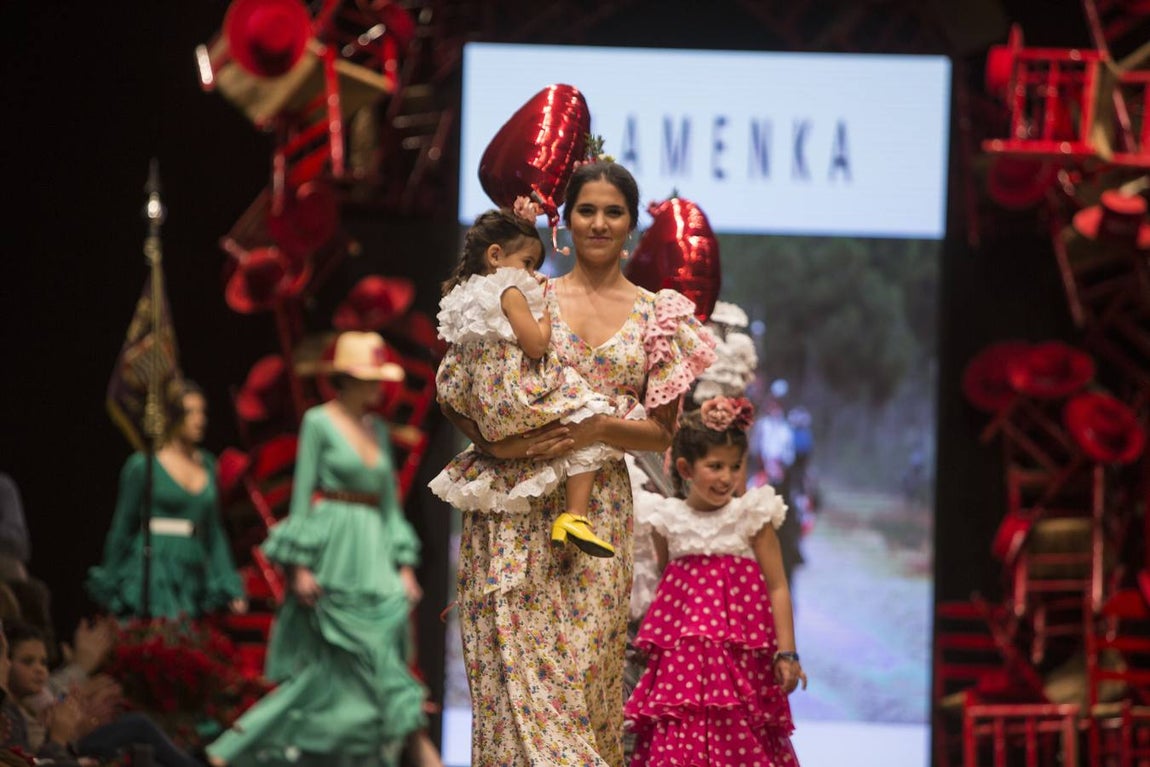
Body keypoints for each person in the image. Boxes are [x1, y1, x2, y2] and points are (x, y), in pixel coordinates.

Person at [437, 160, 717, 766]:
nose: (598, 223)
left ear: (631, 224)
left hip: (596, 516)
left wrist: (594, 428)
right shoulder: (522, 291)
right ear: (565, 219)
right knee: (512, 691)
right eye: (586, 210)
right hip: (513, 511)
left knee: (585, 680)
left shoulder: (658, 315)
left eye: (613, 212)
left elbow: (660, 434)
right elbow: (456, 391)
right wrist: (501, 446)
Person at [206, 331, 442, 767]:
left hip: (374, 552)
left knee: (381, 665)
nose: (380, 387)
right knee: (325, 672)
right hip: (336, 549)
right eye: (372, 377)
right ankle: (237, 750)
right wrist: (298, 566)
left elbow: (390, 506)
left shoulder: (377, 429)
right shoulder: (319, 422)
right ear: (349, 378)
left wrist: (404, 567)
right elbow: (301, 498)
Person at [430, 199, 646, 558]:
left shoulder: (461, 295)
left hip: (481, 408)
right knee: (593, 412)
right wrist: (543, 317)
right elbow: (534, 346)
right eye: (528, 263)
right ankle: (575, 515)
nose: (532, 275)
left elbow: (453, 371)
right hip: (516, 398)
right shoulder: (509, 290)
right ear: (495, 256)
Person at [624, 397, 806, 767]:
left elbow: (777, 586)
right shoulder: (667, 519)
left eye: (735, 466)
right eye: (715, 466)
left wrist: (787, 653)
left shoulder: (752, 517)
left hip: (740, 667)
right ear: (685, 468)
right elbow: (667, 588)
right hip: (682, 669)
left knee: (740, 741)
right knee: (679, 743)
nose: (727, 477)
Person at [86, 380, 247, 619]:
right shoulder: (143, 465)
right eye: (189, 412)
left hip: (193, 569)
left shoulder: (209, 465)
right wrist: (109, 579)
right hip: (153, 568)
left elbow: (214, 531)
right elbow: (122, 527)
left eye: (202, 412)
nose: (199, 420)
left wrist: (228, 583)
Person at [4, 620, 198, 767]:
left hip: (70, 749)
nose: (39, 670)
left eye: (43, 662)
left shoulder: (27, 705)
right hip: (69, 751)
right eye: (27, 662)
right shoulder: (10, 716)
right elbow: (43, 756)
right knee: (138, 725)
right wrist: (62, 736)